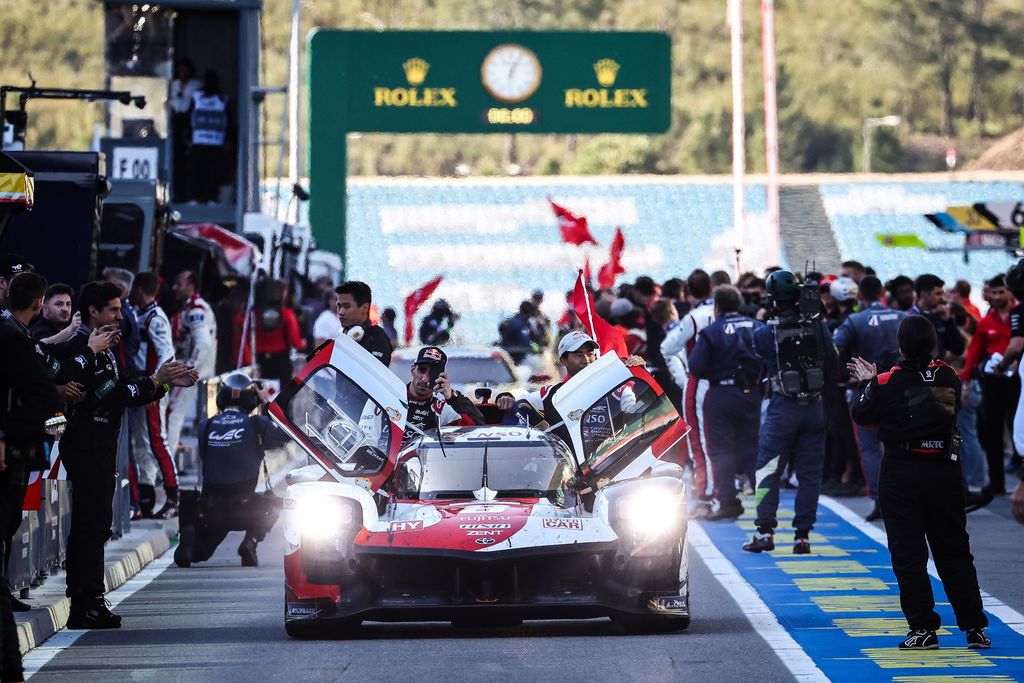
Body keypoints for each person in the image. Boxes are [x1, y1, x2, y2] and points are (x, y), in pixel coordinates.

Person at [59, 281, 197, 629]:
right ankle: (84, 603)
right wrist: (157, 378)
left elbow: (126, 390)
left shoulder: (105, 346)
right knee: (91, 526)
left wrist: (164, 383)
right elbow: (115, 394)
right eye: (114, 309)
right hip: (88, 444)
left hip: (101, 444)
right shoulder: (82, 346)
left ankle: (90, 599)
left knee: (96, 525)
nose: (121, 315)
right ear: (94, 311)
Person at [849, 316, 990, 651]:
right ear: (932, 344)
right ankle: (974, 627)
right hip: (944, 471)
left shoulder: (886, 381)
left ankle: (923, 629)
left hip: (901, 472)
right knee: (955, 550)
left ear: (900, 345)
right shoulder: (949, 375)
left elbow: (861, 415)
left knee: (908, 554)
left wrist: (866, 383)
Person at [744, 271, 840, 554]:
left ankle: (765, 531)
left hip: (782, 405)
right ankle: (802, 536)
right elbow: (833, 360)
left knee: (769, 469)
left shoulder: (764, 332)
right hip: (814, 405)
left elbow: (760, 355)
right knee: (810, 473)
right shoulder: (818, 326)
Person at [0, 285, 60, 683]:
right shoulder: (12, 336)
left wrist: (5, 436)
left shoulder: (10, 338)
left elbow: (41, 397)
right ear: (39, 303)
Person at [174, 373, 288, 568]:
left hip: (209, 509)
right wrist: (266, 404)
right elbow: (284, 436)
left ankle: (191, 537)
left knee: (199, 554)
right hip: (245, 507)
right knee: (272, 503)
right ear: (252, 400)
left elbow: (205, 456)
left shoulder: (206, 426)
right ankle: (250, 541)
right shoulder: (257, 424)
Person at [832, 275, 907, 519]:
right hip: (901, 386)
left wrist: (846, 371)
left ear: (861, 295)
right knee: (901, 443)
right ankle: (902, 497)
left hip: (868, 386)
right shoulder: (902, 317)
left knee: (870, 447)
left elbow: (836, 346)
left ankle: (879, 499)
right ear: (883, 292)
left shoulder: (855, 320)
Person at [688, 285, 764, 520]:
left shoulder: (711, 332)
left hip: (721, 394)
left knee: (721, 450)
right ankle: (765, 502)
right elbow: (769, 357)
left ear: (717, 306)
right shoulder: (757, 327)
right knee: (752, 447)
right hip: (751, 392)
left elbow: (696, 367)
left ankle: (728, 502)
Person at [660, 270, 716, 513]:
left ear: (689, 294)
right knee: (724, 441)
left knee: (700, 440)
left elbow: (668, 347)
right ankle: (725, 489)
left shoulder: (694, 317)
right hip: (731, 385)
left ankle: (706, 495)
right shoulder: (730, 314)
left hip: (701, 383)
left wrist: (684, 380)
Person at [961, 274, 1018, 496]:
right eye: (992, 292)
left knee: (1018, 430)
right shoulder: (986, 322)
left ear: (1009, 292)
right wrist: (965, 381)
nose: (995, 297)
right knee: (991, 432)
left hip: (1017, 381)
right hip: (993, 382)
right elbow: (974, 352)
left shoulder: (1019, 315)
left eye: (999, 292)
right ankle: (997, 484)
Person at [129, 272, 179, 518]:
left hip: (153, 388)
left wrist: (158, 387)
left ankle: (173, 497)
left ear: (139, 289)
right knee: (141, 442)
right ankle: (146, 497)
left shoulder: (155, 318)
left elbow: (167, 355)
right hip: (142, 385)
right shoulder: (141, 314)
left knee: (158, 441)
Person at [168, 270, 217, 458]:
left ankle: (166, 465)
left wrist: (188, 368)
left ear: (190, 285)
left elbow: (203, 343)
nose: (174, 287)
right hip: (196, 371)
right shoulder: (192, 307)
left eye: (178, 283)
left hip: (192, 374)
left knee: (172, 412)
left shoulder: (196, 309)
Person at [401, 346, 483, 443]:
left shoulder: (442, 409)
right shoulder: (393, 395)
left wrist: (453, 397)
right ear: (413, 370)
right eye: (422, 370)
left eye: (432, 375)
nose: (425, 379)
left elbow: (477, 427)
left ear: (441, 377)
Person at [188, 69, 230, 204]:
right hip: (199, 141)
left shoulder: (222, 99)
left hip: (215, 142)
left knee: (212, 172)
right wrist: (188, 137)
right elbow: (190, 118)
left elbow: (228, 121)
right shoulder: (197, 97)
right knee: (197, 171)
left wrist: (227, 140)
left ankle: (211, 197)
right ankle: (196, 197)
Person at [254, 279, 305, 388]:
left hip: (260, 361)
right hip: (280, 361)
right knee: (280, 396)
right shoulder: (286, 314)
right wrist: (303, 343)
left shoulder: (254, 314)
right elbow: (296, 342)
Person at [335, 281, 392, 366]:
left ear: (364, 308)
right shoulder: (346, 334)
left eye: (346, 306)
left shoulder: (377, 340)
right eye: (339, 306)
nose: (341, 312)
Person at [910, 273, 965, 359]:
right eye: (938, 294)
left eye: (942, 293)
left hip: (937, 370)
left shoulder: (940, 317)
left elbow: (958, 349)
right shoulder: (908, 318)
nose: (942, 298)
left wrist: (948, 321)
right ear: (923, 294)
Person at [169, 57, 201, 201]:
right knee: (176, 159)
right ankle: (177, 194)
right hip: (175, 121)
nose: (183, 72)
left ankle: (190, 194)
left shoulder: (196, 85)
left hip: (190, 122)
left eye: (185, 69)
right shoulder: (172, 85)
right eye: (180, 69)